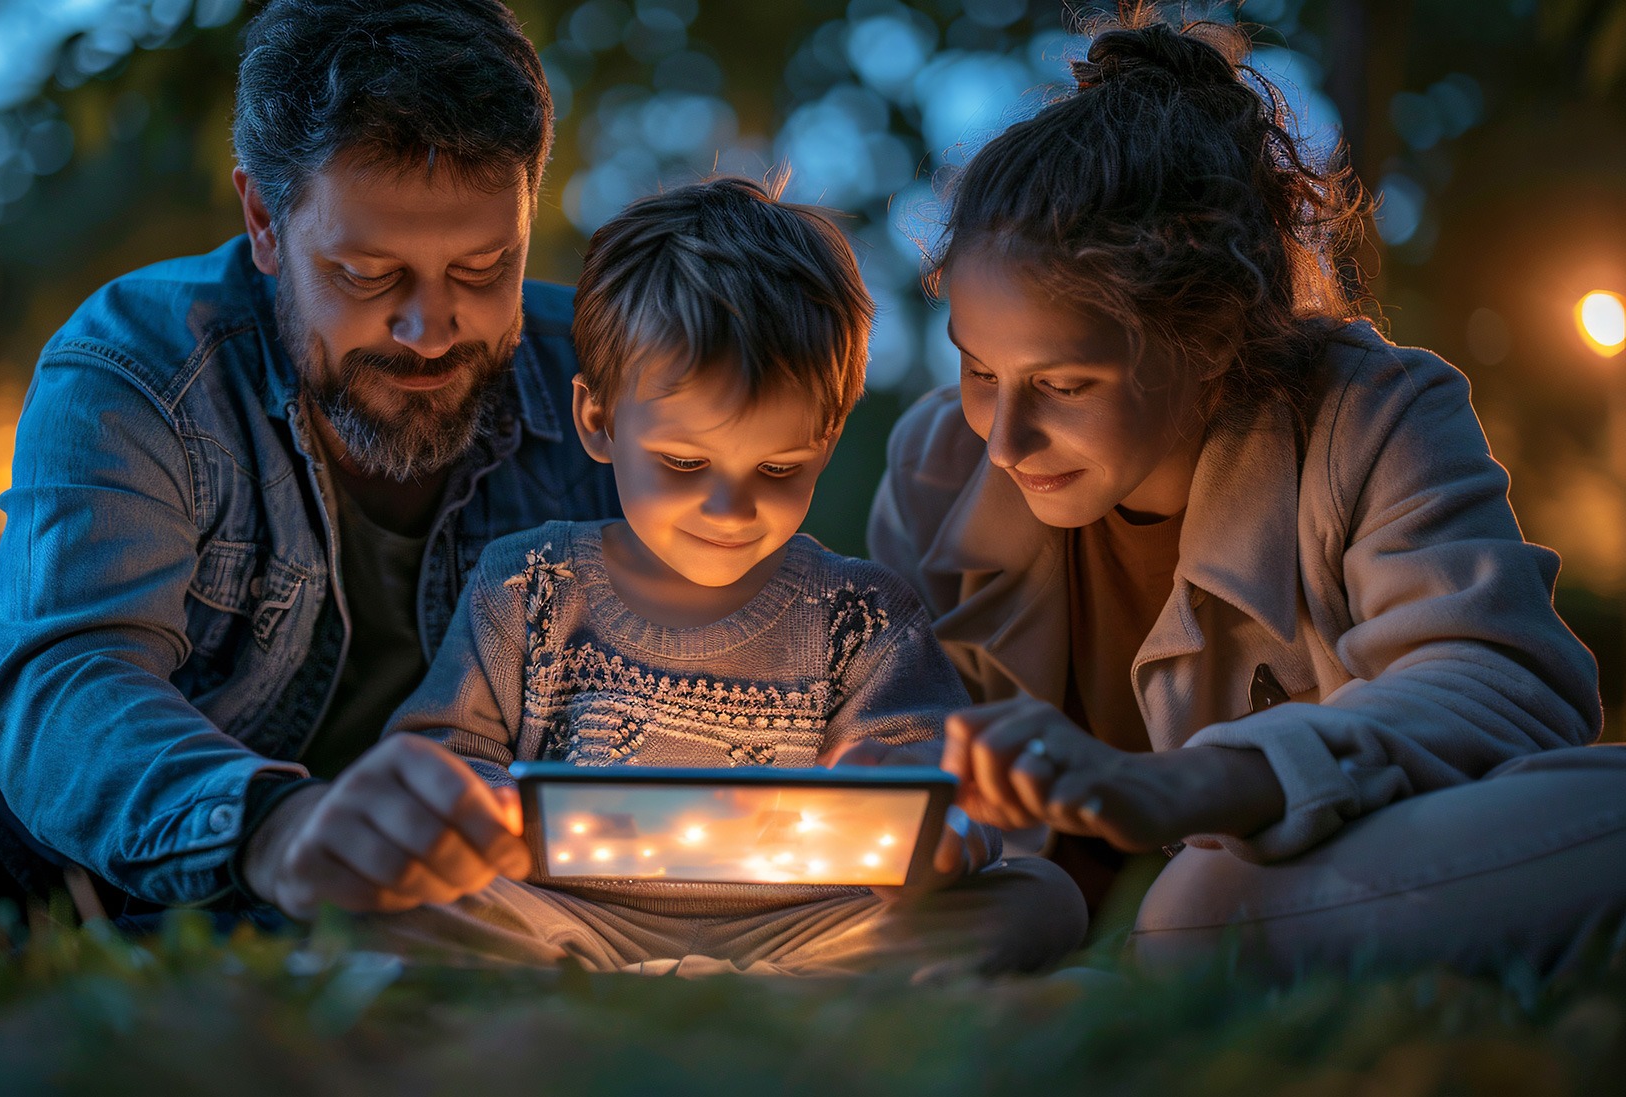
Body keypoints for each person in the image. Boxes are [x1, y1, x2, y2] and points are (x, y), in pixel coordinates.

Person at [0, 0, 622, 941]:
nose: (432, 328)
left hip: (358, 884)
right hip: (0, 790)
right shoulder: (134, 364)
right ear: (265, 222)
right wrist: (276, 826)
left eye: (482, 268)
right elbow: (71, 682)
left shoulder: (614, 390)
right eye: (367, 274)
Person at [869, 9, 1626, 977]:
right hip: (1048, 920)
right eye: (978, 369)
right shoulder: (937, 464)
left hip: (1295, 879)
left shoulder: (1373, 414)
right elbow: (894, 737)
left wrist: (1186, 785)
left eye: (1062, 385)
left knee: (1202, 903)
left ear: (1212, 338)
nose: (1005, 440)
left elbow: (1502, 687)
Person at [311, 177, 1087, 977]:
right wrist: (480, 807)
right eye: (684, 462)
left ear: (826, 440)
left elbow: (938, 786)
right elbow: (440, 753)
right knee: (385, 896)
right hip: (569, 917)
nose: (730, 508)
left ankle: (760, 994)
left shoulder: (860, 615)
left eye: (780, 466)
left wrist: (931, 824)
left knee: (1041, 895)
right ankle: (675, 993)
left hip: (804, 930)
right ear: (599, 422)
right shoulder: (530, 586)